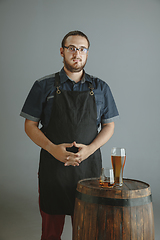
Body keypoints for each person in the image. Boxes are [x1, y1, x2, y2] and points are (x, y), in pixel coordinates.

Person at [20, 30, 119, 240]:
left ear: (87, 53)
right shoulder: (42, 86)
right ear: (62, 52)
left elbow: (108, 126)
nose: (77, 53)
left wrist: (89, 150)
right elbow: (30, 125)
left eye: (82, 49)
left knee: (87, 229)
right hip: (53, 168)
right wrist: (52, 149)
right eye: (72, 48)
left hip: (89, 169)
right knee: (50, 232)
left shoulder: (101, 88)